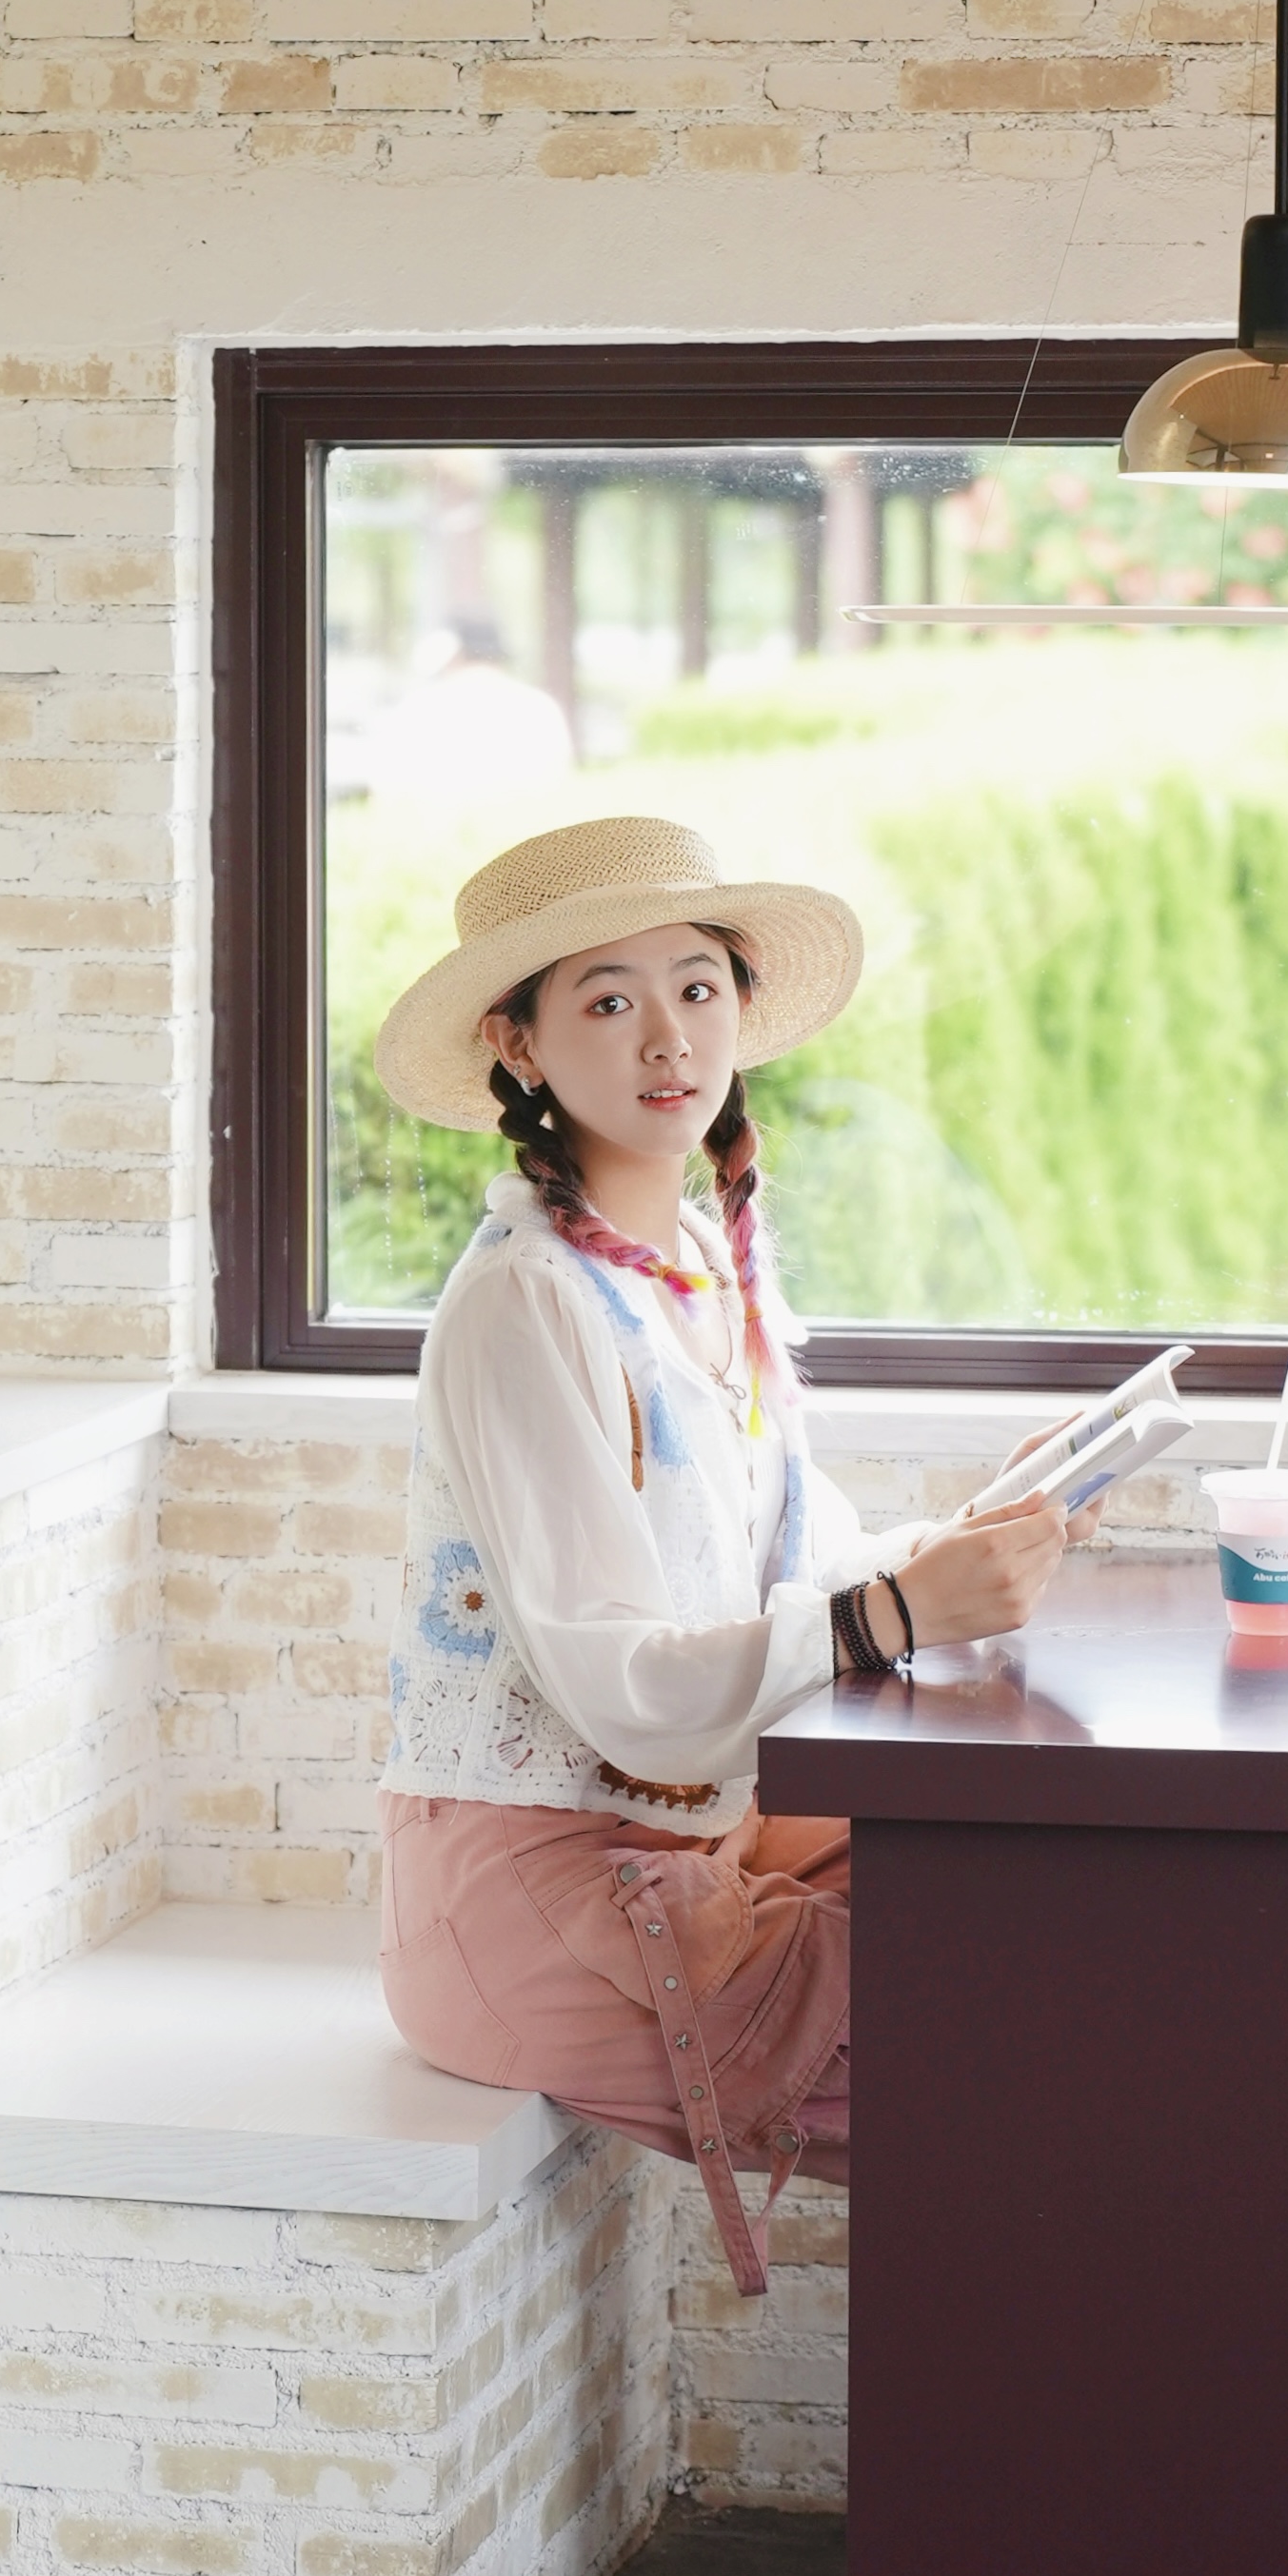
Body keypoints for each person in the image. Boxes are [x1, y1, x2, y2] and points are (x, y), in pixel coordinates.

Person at [370, 815, 1091, 2293]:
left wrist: (954, 1544)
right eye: (609, 999)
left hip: (695, 1830)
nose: (665, 1041)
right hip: (543, 1883)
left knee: (1059, 1914)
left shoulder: (698, 1263)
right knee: (1017, 2055)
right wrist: (897, 1607)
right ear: (518, 1044)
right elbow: (620, 1687)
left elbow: (778, 1578)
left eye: (697, 990)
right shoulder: (523, 1308)